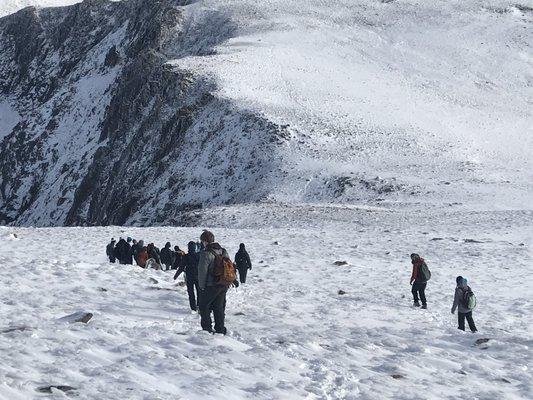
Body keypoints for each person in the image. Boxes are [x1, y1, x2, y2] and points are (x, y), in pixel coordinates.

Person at [197, 230, 232, 334]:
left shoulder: (206, 253)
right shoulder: (223, 251)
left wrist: (201, 286)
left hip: (211, 285)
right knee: (218, 306)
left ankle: (207, 329)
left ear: (204, 241)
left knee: (203, 306)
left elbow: (202, 271)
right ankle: (220, 329)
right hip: (223, 283)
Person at [174, 241, 200, 311]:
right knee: (199, 292)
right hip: (198, 277)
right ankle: (199, 305)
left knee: (191, 293)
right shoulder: (199, 255)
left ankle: (193, 307)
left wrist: (176, 276)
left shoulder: (186, 256)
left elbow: (181, 267)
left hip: (189, 277)